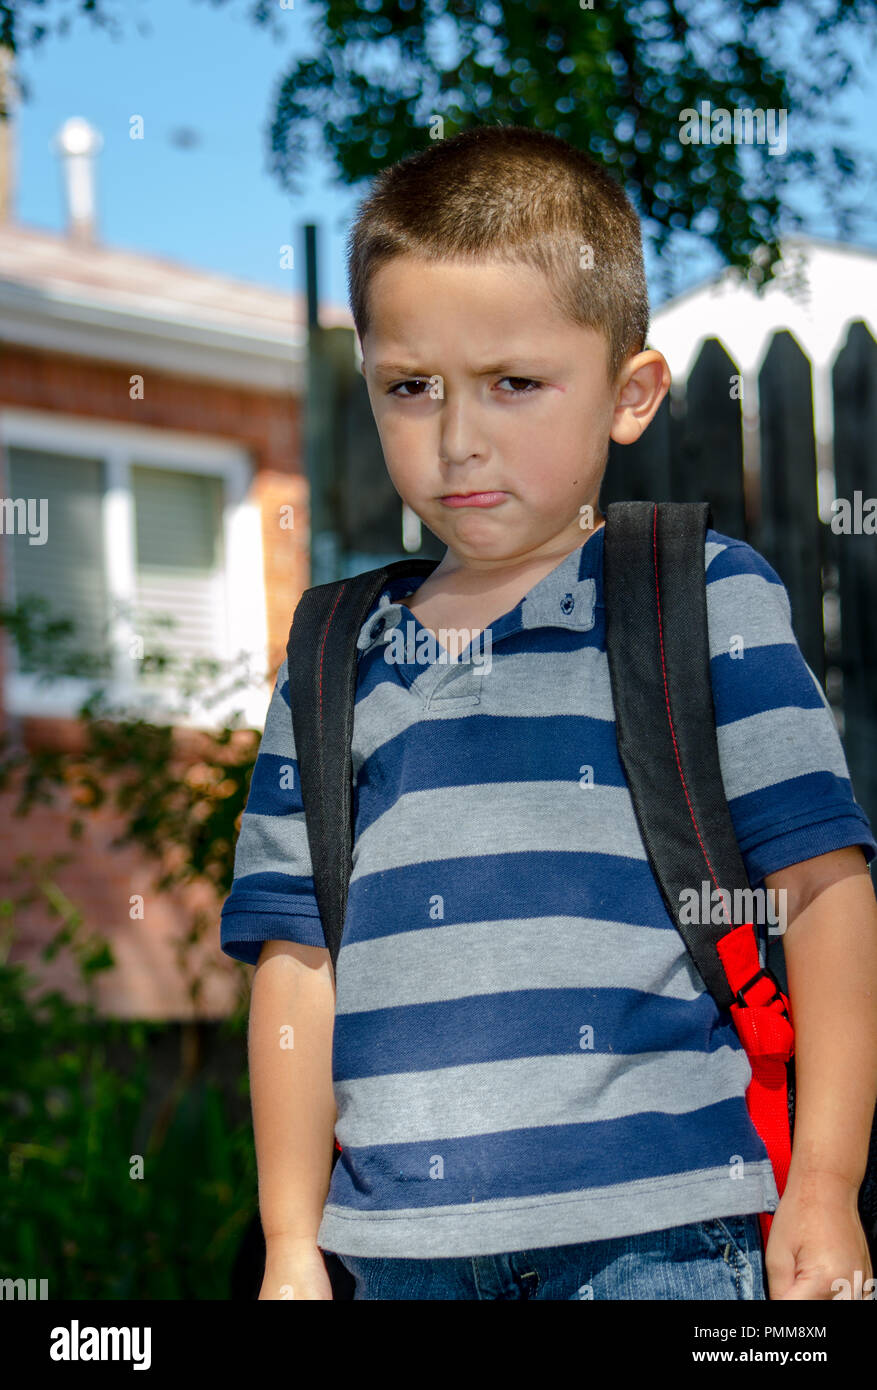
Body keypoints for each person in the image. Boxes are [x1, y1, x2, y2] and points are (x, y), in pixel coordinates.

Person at [220, 125, 877, 1301]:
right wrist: (286, 1244)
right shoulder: (331, 656)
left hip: (667, 1236)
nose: (458, 437)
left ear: (630, 395)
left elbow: (823, 895)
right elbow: (294, 961)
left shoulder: (699, 595)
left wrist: (824, 1186)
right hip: (393, 1254)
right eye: (410, 387)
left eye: (514, 384)